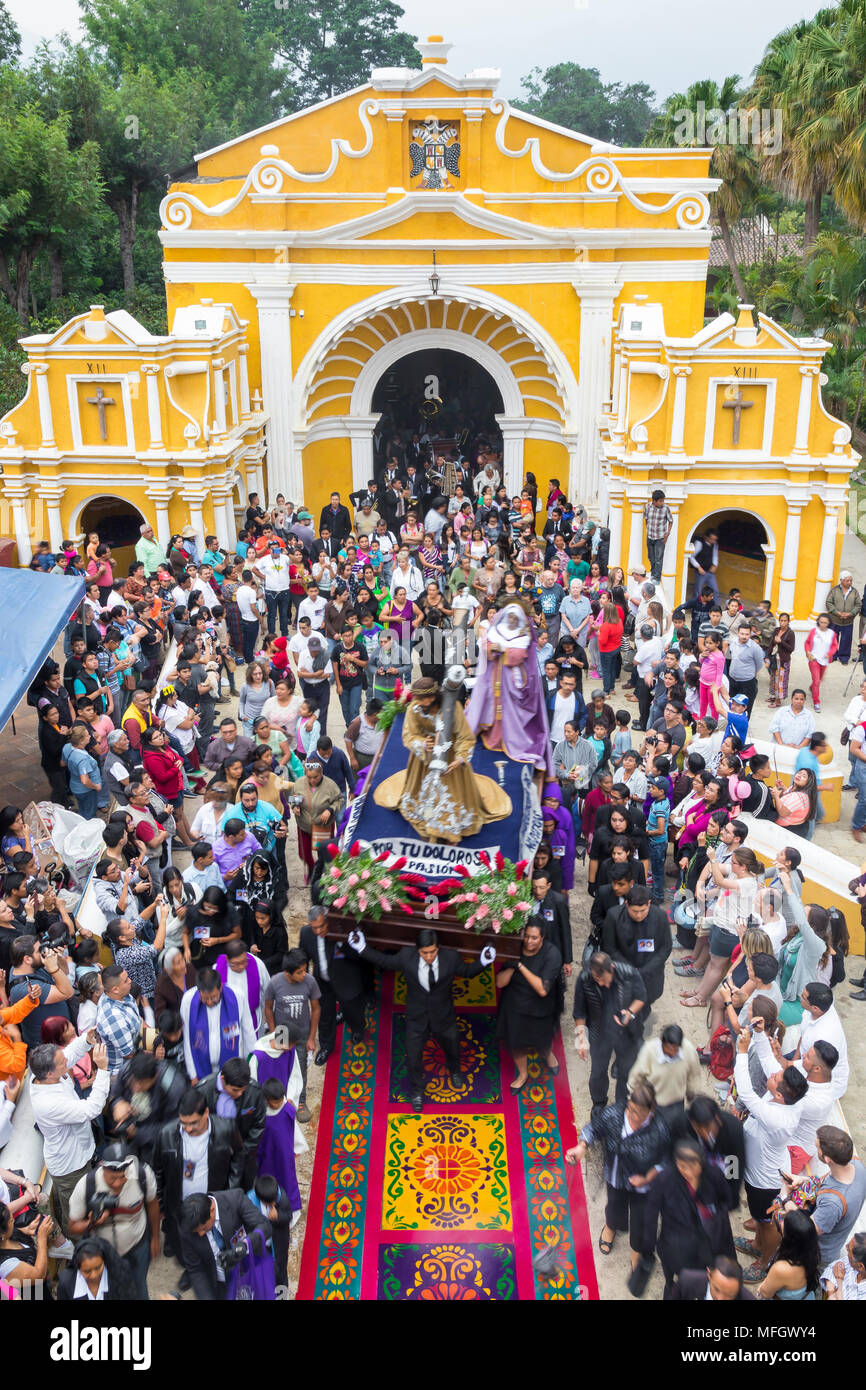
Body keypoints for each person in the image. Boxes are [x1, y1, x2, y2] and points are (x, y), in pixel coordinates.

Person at [347, 928, 494, 1109]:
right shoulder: (406, 957)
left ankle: (455, 1070)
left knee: (453, 1046)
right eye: (425, 953)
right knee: (413, 1057)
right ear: (418, 950)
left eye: (433, 952)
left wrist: (484, 961)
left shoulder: (451, 957)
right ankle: (417, 1090)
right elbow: (384, 960)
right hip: (416, 1018)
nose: (429, 956)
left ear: (438, 948)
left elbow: (467, 971)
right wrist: (362, 948)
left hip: (444, 1015)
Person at [566, 1081, 669, 1283]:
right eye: (630, 1109)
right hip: (616, 1174)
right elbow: (593, 1128)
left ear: (651, 1110)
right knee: (614, 1205)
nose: (632, 1116)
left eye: (639, 1113)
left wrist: (648, 1177)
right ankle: (611, 1226)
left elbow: (667, 1160)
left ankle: (636, 1250)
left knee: (641, 1219)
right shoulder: (615, 1113)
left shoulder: (660, 1129)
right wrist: (581, 1146)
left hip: (643, 1185)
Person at [731, 1024, 810, 1280]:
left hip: (764, 1181)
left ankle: (765, 1261)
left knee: (767, 1223)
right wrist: (758, 1035)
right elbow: (767, 1060)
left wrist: (742, 1053)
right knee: (759, 1219)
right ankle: (756, 1247)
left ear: (777, 1093)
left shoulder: (778, 1116)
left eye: (777, 1077)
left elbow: (746, 1093)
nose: (775, 1074)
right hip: (760, 1171)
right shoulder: (786, 1096)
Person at [28, 1032, 110, 1235]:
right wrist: (103, 1070)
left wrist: (87, 1040)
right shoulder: (49, 1103)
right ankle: (80, 1249)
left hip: (81, 1153)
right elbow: (91, 1109)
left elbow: (69, 1054)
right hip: (70, 1167)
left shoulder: (44, 1074)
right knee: (75, 1212)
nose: (67, 1062)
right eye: (62, 1063)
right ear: (49, 1074)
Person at [466, 604, 554, 775]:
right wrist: (494, 648)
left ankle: (509, 739)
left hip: (513, 681)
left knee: (510, 711)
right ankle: (494, 737)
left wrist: (503, 651)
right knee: (492, 707)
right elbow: (487, 646)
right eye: (510, 618)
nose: (512, 621)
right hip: (494, 678)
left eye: (515, 618)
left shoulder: (523, 635)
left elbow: (518, 656)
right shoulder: (496, 630)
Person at [67, 1142, 160, 1299]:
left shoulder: (142, 1175)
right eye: (112, 1179)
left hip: (137, 1245)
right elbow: (72, 1227)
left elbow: (152, 1204)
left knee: (139, 1290)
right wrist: (92, 1222)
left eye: (122, 1177)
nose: (117, 1183)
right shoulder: (87, 1185)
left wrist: (155, 1238)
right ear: (102, 1168)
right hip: (104, 1254)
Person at [646, 1138, 736, 1294]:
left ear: (701, 1162)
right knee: (677, 1277)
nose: (688, 1172)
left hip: (711, 1241)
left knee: (706, 1281)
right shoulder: (665, 1180)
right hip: (677, 1243)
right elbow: (651, 1211)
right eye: (682, 1166)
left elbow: (727, 1199)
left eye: (693, 1167)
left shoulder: (714, 1175)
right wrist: (648, 1244)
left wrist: (713, 1217)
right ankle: (671, 1286)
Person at [572, 952, 647, 1115]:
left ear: (611, 968)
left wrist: (629, 1013)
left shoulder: (629, 973)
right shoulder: (585, 979)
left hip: (627, 1034)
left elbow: (641, 997)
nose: (601, 983)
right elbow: (579, 1012)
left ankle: (621, 1106)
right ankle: (598, 1103)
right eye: (596, 979)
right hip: (599, 1033)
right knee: (598, 1071)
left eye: (603, 979)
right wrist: (581, 1040)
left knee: (626, 1072)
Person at [177, 1189, 272, 1302]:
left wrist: (244, 1246)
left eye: (203, 1228)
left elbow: (264, 1226)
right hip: (221, 1287)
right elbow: (196, 1269)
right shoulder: (187, 1229)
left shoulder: (235, 1199)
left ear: (211, 1210)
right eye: (196, 1232)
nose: (200, 1234)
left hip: (250, 1273)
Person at [300, 905, 366, 1063]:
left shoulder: (342, 930)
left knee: (352, 1009)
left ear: (328, 920)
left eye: (321, 926)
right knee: (324, 1014)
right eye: (314, 927)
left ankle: (357, 1029)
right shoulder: (306, 933)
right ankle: (326, 1046)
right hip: (322, 981)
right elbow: (303, 956)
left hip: (345, 979)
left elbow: (358, 957)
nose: (317, 931)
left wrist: (341, 942)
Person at [263, 948, 321, 1124]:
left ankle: (301, 1102)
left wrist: (311, 1037)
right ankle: (283, 1096)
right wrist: (273, 1032)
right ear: (287, 973)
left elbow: (316, 1008)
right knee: (282, 1065)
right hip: (282, 1034)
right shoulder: (275, 983)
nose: (304, 974)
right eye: (299, 972)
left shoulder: (309, 982)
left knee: (301, 1066)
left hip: (302, 1034)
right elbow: (268, 1007)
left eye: (305, 970)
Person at [195, 1057, 266, 1191]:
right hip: (212, 1157)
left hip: (244, 1156)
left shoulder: (254, 1092)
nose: (239, 1094)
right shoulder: (203, 1091)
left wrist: (242, 1151)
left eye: (242, 1090)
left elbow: (258, 1125)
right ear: (222, 1080)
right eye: (234, 1090)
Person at [600, 884, 672, 1007]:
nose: (639, 915)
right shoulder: (614, 916)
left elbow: (665, 948)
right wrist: (630, 970)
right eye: (634, 911)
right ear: (627, 904)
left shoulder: (660, 916)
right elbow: (609, 947)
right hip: (623, 974)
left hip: (651, 974)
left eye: (642, 911)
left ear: (649, 904)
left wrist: (646, 970)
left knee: (646, 1004)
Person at [627, 1024, 703, 1128]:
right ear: (662, 1042)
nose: (672, 1052)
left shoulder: (688, 1050)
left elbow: (694, 1076)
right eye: (668, 1048)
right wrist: (635, 1100)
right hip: (653, 1105)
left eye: (675, 1048)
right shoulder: (649, 1050)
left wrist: (691, 1094)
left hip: (676, 1105)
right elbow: (635, 1078)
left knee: (674, 1134)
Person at [180, 967, 243, 1085]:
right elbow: (188, 1038)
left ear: (220, 988)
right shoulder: (188, 1000)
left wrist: (246, 1066)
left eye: (213, 997)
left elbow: (247, 1031)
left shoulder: (236, 996)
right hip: (201, 1067)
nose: (209, 1002)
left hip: (232, 1066)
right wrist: (192, 1074)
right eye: (205, 998)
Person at [56, 1236, 139, 1301]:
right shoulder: (66, 1282)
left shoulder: (120, 1275)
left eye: (98, 1268)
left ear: (104, 1261)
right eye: (87, 1271)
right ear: (78, 1267)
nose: (94, 1276)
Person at [667, 1254, 754, 1301]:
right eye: (716, 1289)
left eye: (729, 1295)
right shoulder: (687, 1280)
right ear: (709, 1274)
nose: (720, 1299)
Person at [826, 570, 861, 664]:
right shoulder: (834, 591)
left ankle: (844, 658)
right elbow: (829, 603)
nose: (849, 582)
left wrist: (851, 613)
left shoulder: (854, 592)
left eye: (851, 580)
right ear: (841, 581)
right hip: (835, 620)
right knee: (833, 639)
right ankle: (832, 656)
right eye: (847, 580)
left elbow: (858, 605)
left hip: (848, 621)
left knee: (846, 640)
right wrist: (837, 612)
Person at [821, 1233, 866, 1301]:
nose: (846, 1247)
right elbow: (830, 1269)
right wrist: (834, 1293)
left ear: (860, 1266)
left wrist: (839, 1282)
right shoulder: (851, 1262)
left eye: (849, 1249)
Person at [644, 490, 673, 582]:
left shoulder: (666, 508)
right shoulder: (648, 506)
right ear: (654, 501)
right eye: (660, 501)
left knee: (658, 559)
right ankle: (653, 574)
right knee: (650, 557)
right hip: (650, 536)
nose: (662, 502)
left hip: (660, 538)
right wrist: (647, 529)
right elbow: (646, 519)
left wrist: (667, 534)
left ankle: (657, 578)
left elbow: (671, 521)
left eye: (663, 500)